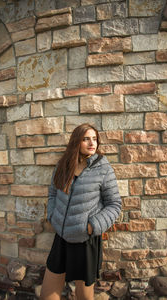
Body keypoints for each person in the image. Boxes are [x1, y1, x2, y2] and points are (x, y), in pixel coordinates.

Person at [40, 123, 121, 300]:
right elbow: (53, 193)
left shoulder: (103, 169)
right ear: (76, 141)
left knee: (84, 296)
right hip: (61, 238)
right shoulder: (64, 164)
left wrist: (91, 227)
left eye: (94, 139)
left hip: (85, 240)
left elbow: (114, 205)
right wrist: (53, 216)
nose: (92, 143)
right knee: (47, 293)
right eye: (86, 139)